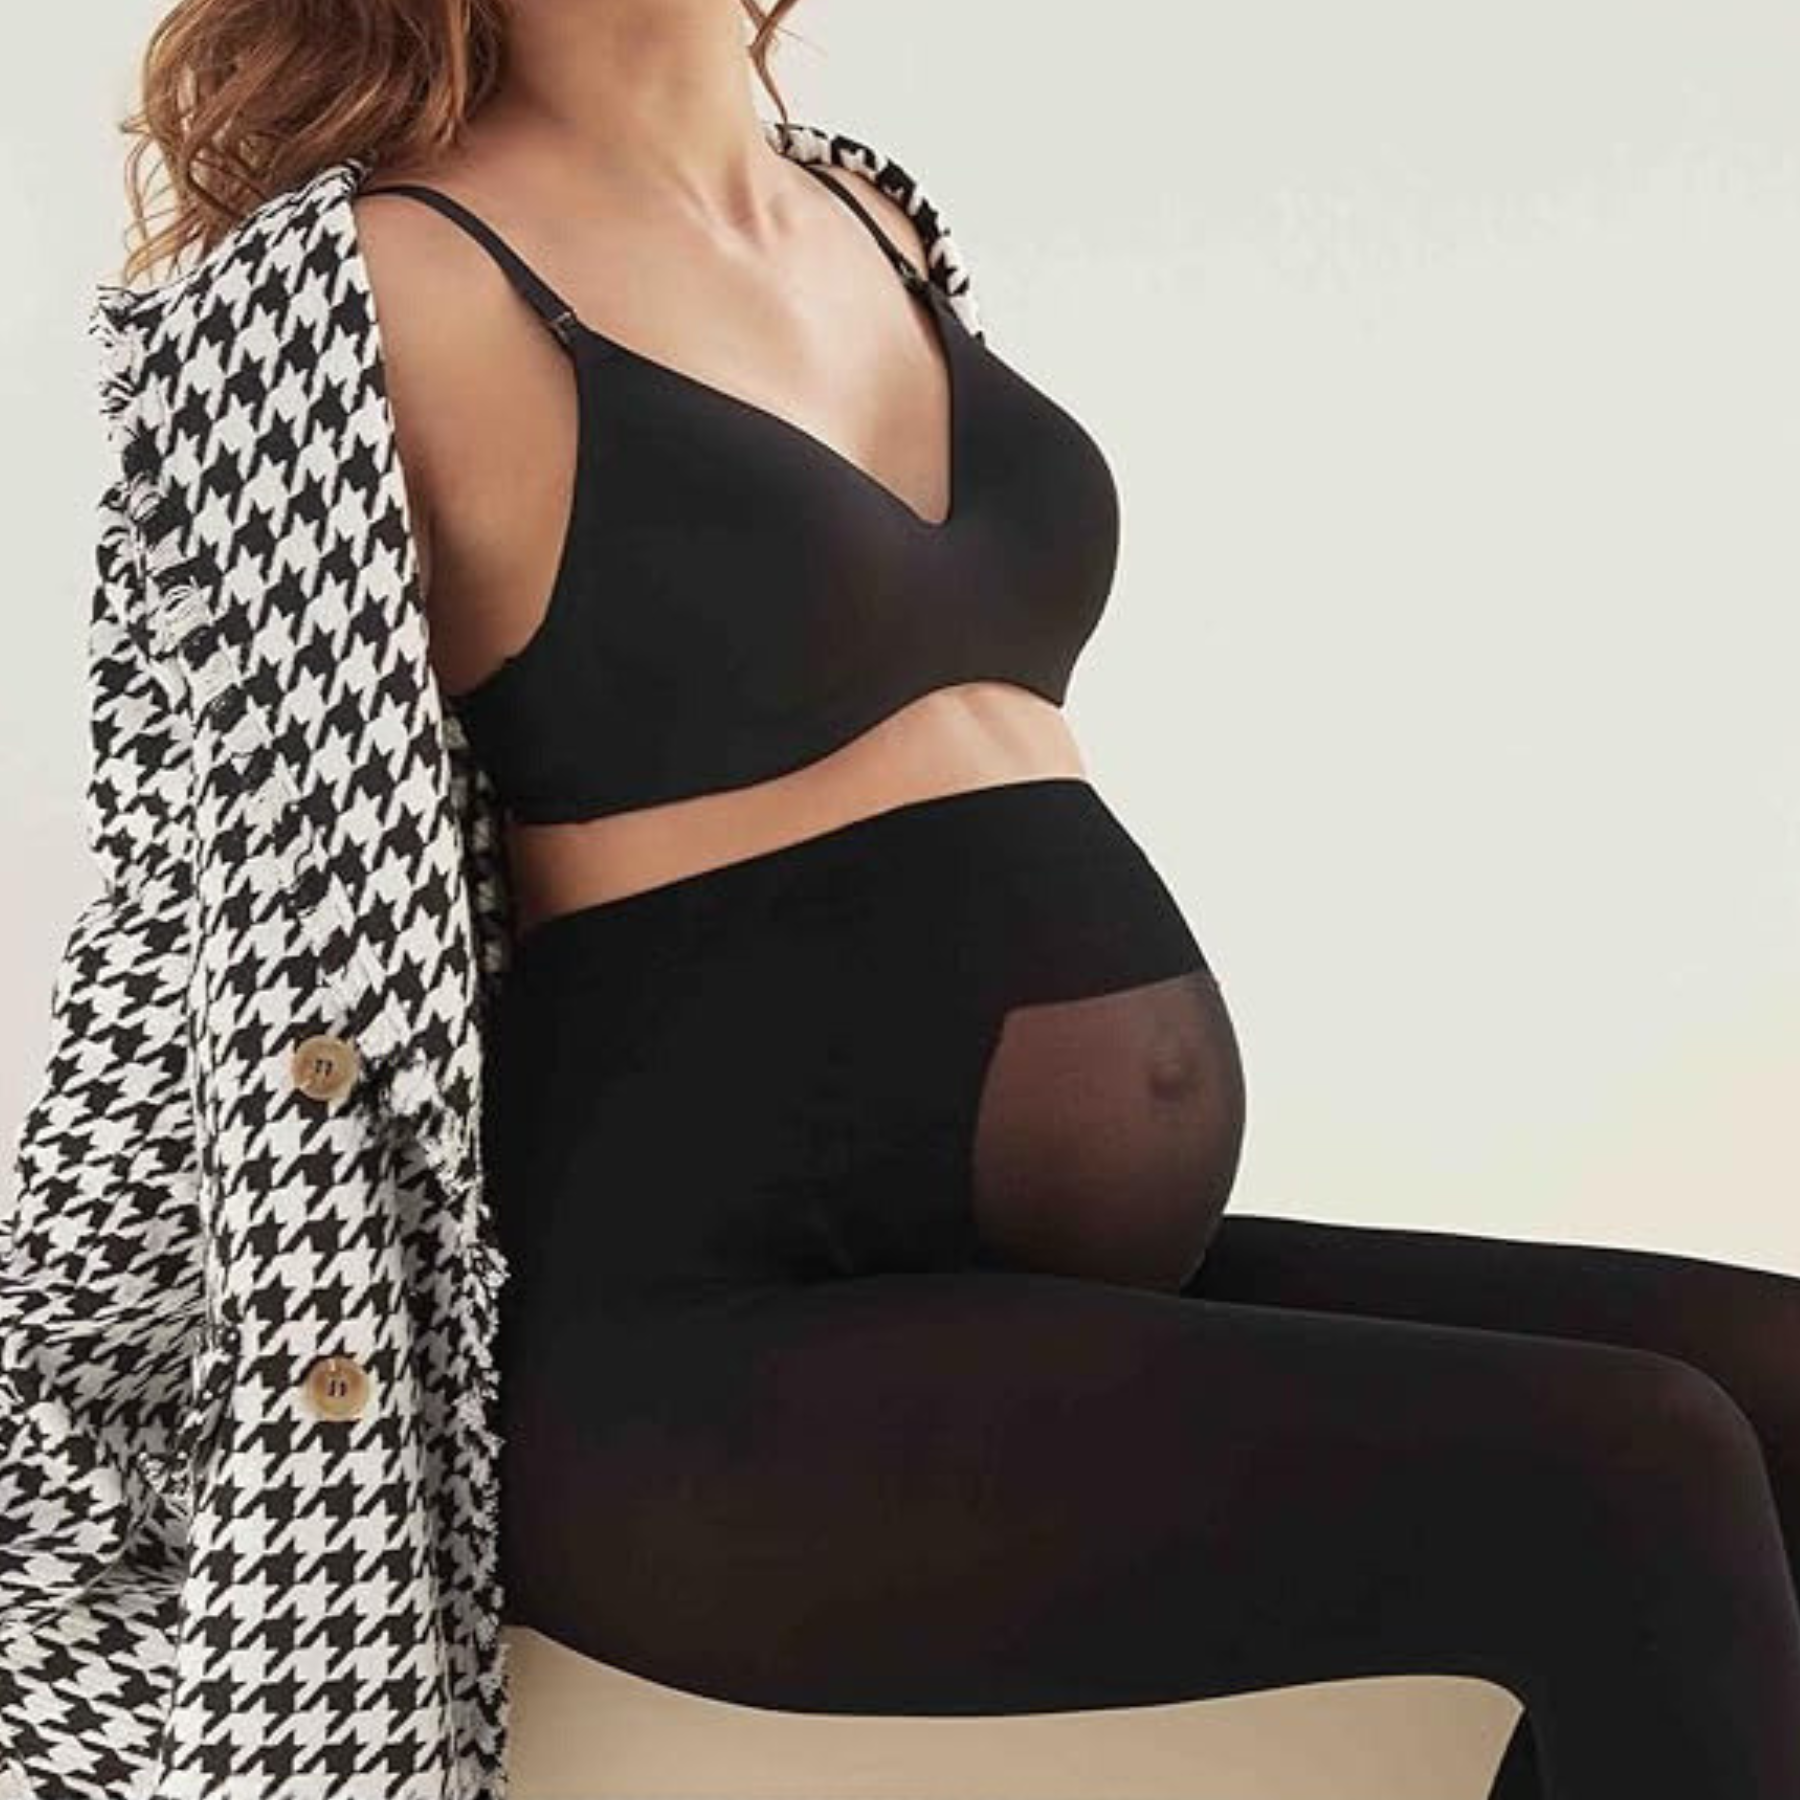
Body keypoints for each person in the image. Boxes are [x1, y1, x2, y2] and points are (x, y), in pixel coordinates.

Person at [31, 5, 1792, 1799]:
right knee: (1629, 1466)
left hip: (1007, 1289)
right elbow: (214, 907)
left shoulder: (869, 214)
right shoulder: (350, 299)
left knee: (1775, 1385)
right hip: (694, 1363)